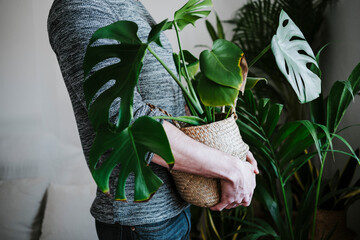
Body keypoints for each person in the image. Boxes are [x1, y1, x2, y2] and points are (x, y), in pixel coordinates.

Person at [47, 0, 259, 239]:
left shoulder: (128, 4)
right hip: (141, 222)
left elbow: (168, 103)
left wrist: (229, 152)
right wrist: (230, 168)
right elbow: (126, 121)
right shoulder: (79, 8)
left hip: (175, 208)